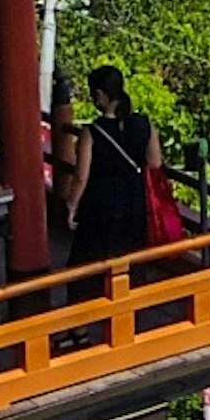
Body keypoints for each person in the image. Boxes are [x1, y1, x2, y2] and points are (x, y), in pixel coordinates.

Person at [63, 63, 156, 269]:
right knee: (132, 260)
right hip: (135, 202)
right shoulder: (144, 124)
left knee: (93, 263)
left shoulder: (93, 132)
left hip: (101, 206)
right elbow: (155, 162)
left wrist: (71, 206)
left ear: (99, 95)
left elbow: (81, 177)